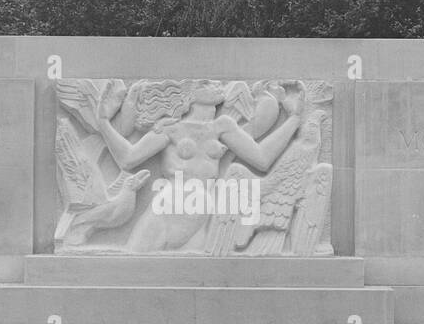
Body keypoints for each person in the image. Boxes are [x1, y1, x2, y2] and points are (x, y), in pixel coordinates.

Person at [96, 79, 304, 252]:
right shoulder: (172, 128)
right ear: (190, 93)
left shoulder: (223, 126)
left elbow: (262, 158)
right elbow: (128, 158)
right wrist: (104, 121)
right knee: (135, 261)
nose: (216, 85)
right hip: (169, 206)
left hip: (201, 212)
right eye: (206, 83)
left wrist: (294, 118)